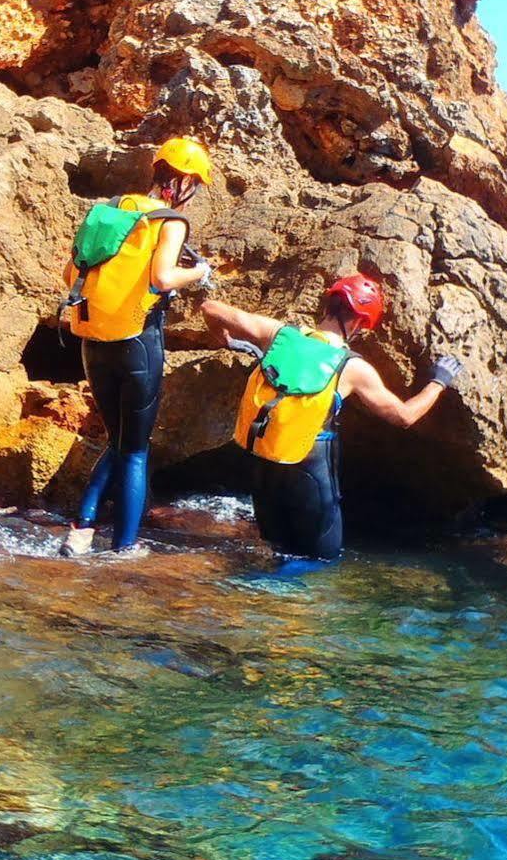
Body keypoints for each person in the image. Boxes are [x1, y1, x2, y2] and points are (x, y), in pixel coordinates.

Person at [200, 274, 461, 565]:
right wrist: (438, 382)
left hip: (264, 469)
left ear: (329, 306)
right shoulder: (351, 367)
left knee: (277, 552)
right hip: (310, 478)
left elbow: (211, 308)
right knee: (319, 563)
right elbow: (404, 416)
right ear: (359, 323)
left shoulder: (278, 333)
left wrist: (223, 339)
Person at [60, 136, 217, 557]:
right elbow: (163, 278)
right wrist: (198, 272)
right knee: (134, 451)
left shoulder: (111, 209)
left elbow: (68, 273)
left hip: (93, 342)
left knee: (117, 439)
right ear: (184, 181)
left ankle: (81, 528)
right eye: (196, 184)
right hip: (136, 343)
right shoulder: (170, 221)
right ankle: (124, 548)